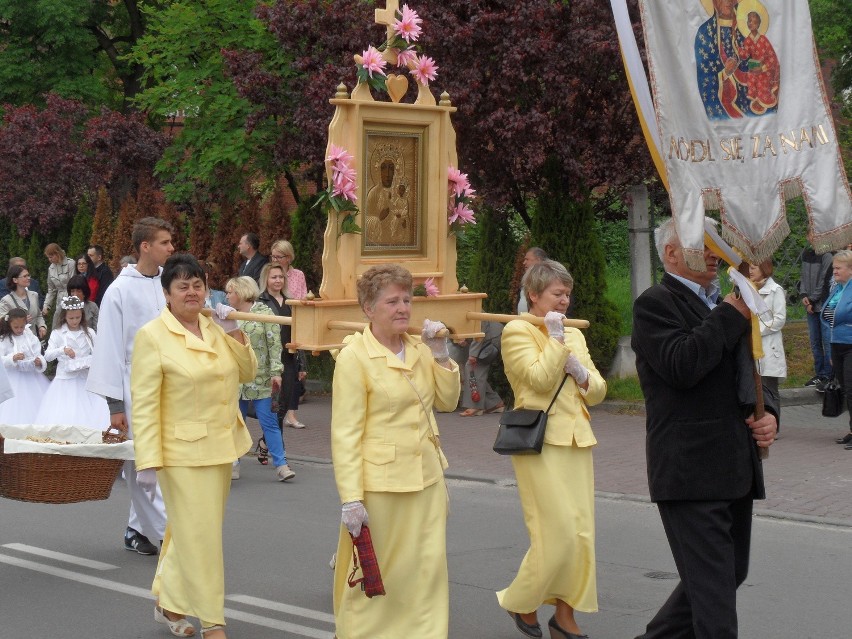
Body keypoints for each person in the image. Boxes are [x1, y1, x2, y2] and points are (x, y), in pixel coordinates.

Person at [631, 217, 778, 639]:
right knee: (714, 602)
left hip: (735, 466)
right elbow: (682, 365)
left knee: (725, 575)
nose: (715, 253)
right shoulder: (655, 303)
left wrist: (771, 416)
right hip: (690, 470)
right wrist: (731, 314)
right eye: (702, 244)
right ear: (671, 254)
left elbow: (756, 368)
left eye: (717, 243)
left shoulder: (732, 301)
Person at [131, 254, 257, 639]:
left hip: (221, 446)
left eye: (197, 284)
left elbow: (249, 374)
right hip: (181, 454)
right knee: (201, 537)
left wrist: (234, 330)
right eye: (182, 286)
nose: (192, 292)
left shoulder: (215, 325)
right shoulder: (152, 335)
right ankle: (213, 621)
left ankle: (169, 603)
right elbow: (145, 403)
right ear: (167, 293)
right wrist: (147, 461)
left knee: (190, 532)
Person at [331, 264, 459, 639]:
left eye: (407, 299)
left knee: (427, 570)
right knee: (382, 572)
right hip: (382, 485)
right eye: (392, 301)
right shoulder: (355, 357)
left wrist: (441, 355)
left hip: (428, 479)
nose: (403, 307)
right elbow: (346, 434)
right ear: (369, 309)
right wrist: (351, 498)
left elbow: (448, 403)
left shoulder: (420, 349)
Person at [497, 260, 606, 639]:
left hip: (577, 438)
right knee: (556, 533)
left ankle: (565, 613)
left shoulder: (574, 333)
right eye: (557, 294)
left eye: (567, 294)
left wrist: (581, 372)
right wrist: (556, 343)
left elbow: (599, 390)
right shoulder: (516, 331)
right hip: (539, 441)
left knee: (581, 534)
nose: (565, 300)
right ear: (534, 295)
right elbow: (539, 381)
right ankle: (521, 600)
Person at [86, 217, 175, 557]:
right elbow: (108, 347)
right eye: (164, 242)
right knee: (143, 463)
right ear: (145, 246)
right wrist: (115, 406)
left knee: (161, 460)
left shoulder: (166, 284)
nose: (171, 248)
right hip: (132, 386)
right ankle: (172, 535)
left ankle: (135, 529)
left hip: (166, 383)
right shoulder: (120, 290)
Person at [224, 275, 294, 482]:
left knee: (269, 422)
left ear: (241, 292)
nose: (227, 296)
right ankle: (234, 462)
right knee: (236, 422)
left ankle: (281, 465)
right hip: (236, 378)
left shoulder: (264, 313)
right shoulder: (228, 315)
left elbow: (274, 344)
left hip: (261, 377)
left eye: (230, 292)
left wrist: (276, 372)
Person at [35, 296, 109, 431]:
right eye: (71, 318)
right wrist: (62, 350)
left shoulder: (89, 333)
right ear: (64, 317)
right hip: (65, 381)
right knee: (65, 414)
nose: (75, 321)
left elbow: (99, 353)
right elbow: (48, 356)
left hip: (86, 379)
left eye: (78, 317)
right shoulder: (58, 333)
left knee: (92, 414)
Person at [258, 262, 307, 431]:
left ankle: (268, 444)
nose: (278, 280)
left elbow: (299, 334)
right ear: (266, 279)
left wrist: (302, 364)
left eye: (280, 277)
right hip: (270, 361)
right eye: (274, 277)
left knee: (285, 403)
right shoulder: (260, 302)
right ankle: (276, 447)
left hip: (289, 358)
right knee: (274, 405)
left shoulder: (291, 302)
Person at [749, 259, 787, 429]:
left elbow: (779, 319)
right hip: (751, 344)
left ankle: (774, 423)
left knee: (770, 388)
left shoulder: (775, 290)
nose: (750, 270)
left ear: (764, 268)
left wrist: (757, 331)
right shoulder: (748, 288)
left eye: (754, 266)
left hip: (769, 346)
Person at [821, 250, 852, 449]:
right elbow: (827, 318)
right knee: (846, 390)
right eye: (833, 268)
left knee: (851, 389)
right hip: (837, 346)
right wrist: (831, 351)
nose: (834, 271)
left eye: (838, 268)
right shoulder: (837, 289)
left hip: (851, 345)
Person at [0, 308, 49, 425]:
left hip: (32, 378)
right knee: (14, 406)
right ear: (9, 324)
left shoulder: (29, 335)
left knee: (35, 404)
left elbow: (38, 352)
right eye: (16, 327)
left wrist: (39, 361)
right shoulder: (4, 339)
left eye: (22, 327)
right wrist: (12, 358)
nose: (19, 330)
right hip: (13, 378)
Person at [798, 238, 834, 389]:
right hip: (810, 306)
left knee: (827, 341)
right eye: (811, 232)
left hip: (823, 306)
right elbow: (803, 278)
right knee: (815, 342)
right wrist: (804, 295)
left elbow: (824, 282)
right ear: (807, 236)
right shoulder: (806, 254)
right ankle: (820, 374)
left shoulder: (827, 256)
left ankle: (829, 375)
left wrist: (812, 300)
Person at [736, 10, 780, 115]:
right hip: (755, 67)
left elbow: (772, 58)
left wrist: (763, 68)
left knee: (762, 79)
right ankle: (756, 98)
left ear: (759, 24)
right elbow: (745, 55)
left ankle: (764, 99)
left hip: (767, 68)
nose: (751, 24)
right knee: (750, 75)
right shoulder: (747, 40)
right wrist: (738, 49)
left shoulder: (764, 39)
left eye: (754, 22)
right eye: (749, 21)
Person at [459, 320, 505, 416]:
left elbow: (480, 327)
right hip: (489, 335)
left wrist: (473, 354)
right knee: (473, 369)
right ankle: (495, 403)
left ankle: (475, 406)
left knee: (473, 367)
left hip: (490, 337)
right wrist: (465, 340)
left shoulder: (470, 305)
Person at [0, 265, 47, 339]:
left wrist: (42, 326)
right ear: (15, 280)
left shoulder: (34, 295)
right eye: (25, 276)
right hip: (15, 340)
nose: (29, 278)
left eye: (28, 275)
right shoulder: (6, 300)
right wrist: (21, 321)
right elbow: (2, 322)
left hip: (33, 339)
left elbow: (38, 315)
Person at [42, 243, 76, 327]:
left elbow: (74, 283)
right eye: (48, 257)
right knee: (58, 325)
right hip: (60, 300)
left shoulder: (71, 263)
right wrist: (46, 306)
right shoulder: (51, 269)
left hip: (72, 298)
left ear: (57, 253)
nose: (50, 259)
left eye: (51, 256)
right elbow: (51, 290)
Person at [517, 247, 548, 313]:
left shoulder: (548, 281)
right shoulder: (525, 280)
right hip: (522, 321)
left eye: (527, 259)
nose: (524, 263)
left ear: (539, 260)